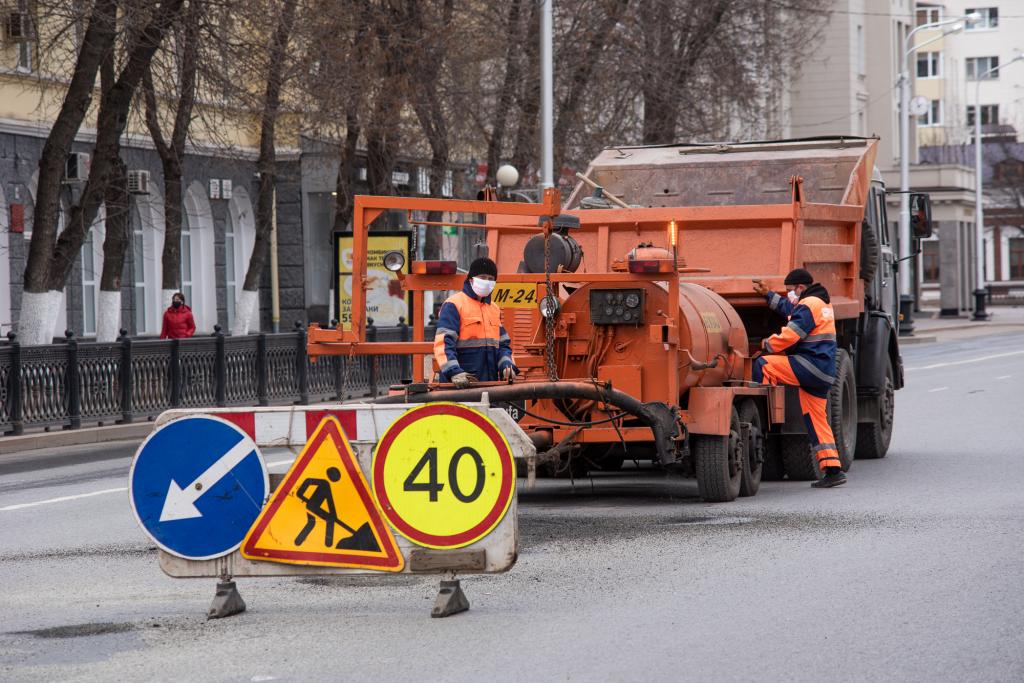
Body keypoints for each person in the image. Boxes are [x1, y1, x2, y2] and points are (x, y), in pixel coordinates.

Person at [752, 268, 846, 488]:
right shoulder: (820, 303)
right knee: (817, 420)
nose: (789, 294)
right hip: (823, 371)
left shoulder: (808, 304)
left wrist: (766, 344)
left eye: (790, 290)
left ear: (800, 287)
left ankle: (761, 419)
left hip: (810, 365)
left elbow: (791, 335)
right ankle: (833, 470)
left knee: (764, 365)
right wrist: (769, 295)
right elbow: (790, 309)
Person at [433, 257, 518, 388]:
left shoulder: (494, 308)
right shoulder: (454, 304)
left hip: (489, 384)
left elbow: (503, 345)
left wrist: (507, 365)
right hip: (459, 385)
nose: (487, 282)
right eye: (482, 277)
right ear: (471, 279)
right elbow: (444, 343)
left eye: (491, 278)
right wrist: (454, 372)